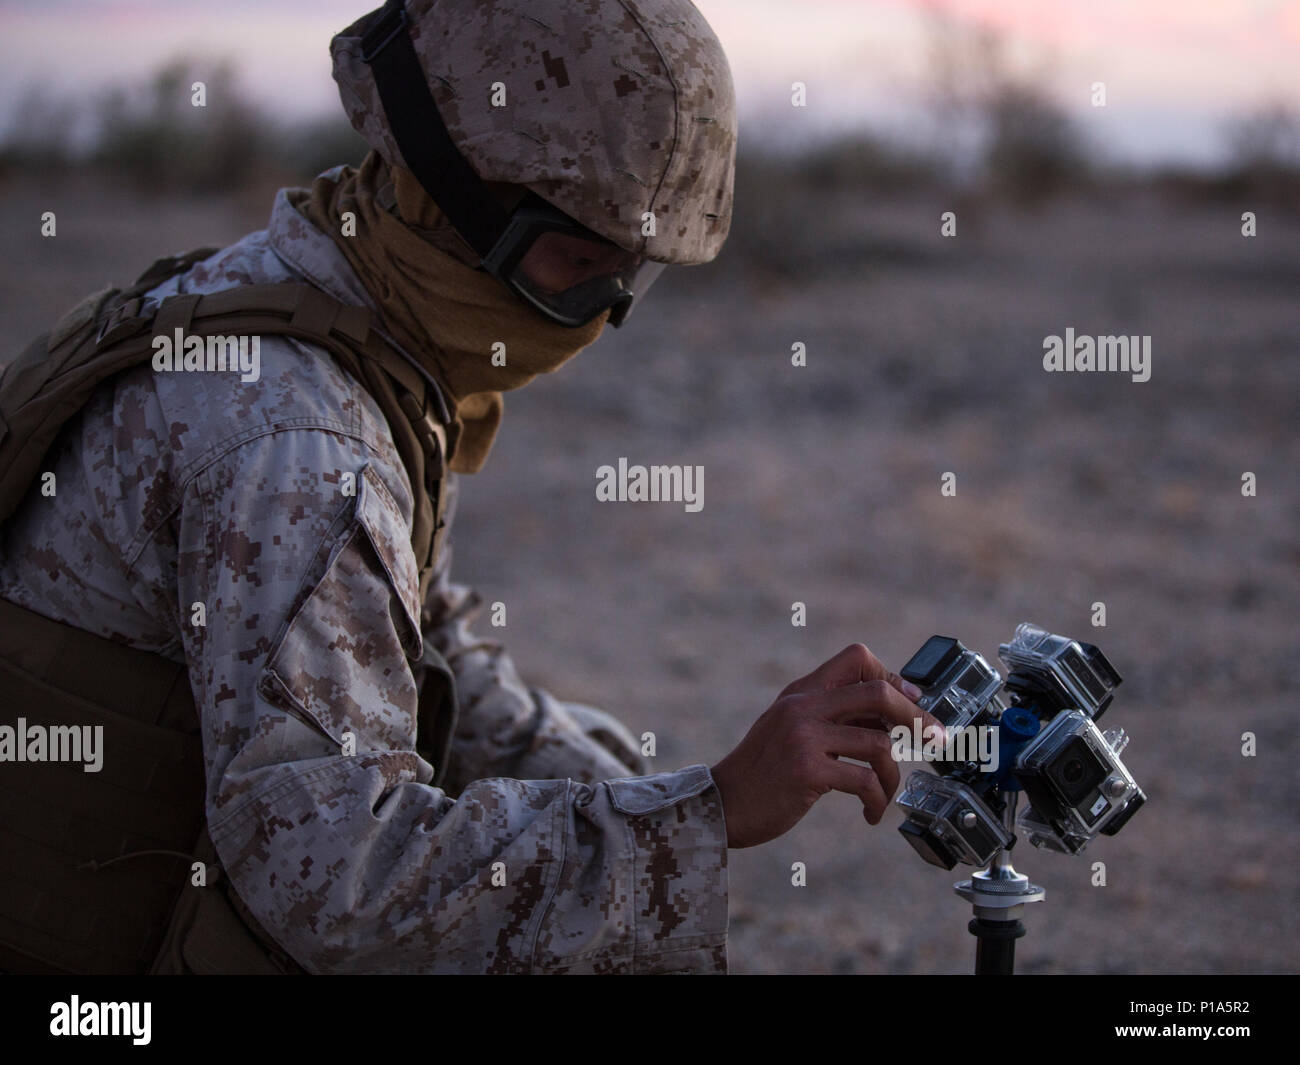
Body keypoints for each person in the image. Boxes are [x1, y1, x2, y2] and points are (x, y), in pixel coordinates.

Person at [0, 0, 938, 974]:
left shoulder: (309, 300)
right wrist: (700, 820)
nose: (602, 312)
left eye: (634, 278)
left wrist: (658, 791)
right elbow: (333, 879)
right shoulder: (300, 435)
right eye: (579, 263)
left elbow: (428, 652)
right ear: (456, 195)